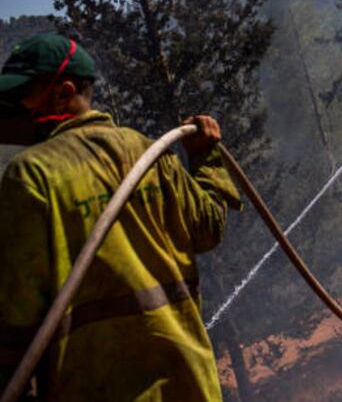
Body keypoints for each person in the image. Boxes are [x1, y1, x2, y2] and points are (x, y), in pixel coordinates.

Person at [0, 33, 240, 400]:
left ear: (64, 92)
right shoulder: (147, 150)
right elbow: (209, 228)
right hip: (193, 388)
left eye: (21, 95)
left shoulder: (32, 174)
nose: (11, 107)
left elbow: (16, 318)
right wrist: (205, 158)